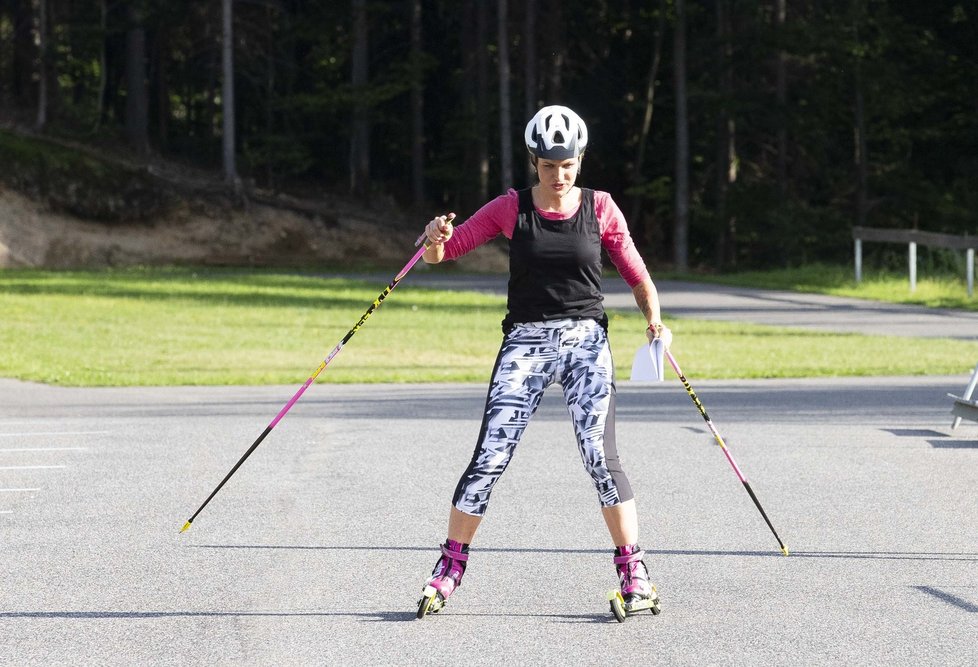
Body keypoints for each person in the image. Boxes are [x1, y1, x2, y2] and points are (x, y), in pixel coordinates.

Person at [415, 105, 673, 619]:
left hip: (585, 343)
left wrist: (654, 320)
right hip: (526, 344)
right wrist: (434, 241)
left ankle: (634, 572)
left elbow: (638, 276)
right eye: (550, 165)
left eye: (569, 165)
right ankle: (449, 567)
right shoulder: (511, 207)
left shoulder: (600, 208)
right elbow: (447, 250)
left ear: (580, 160)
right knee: (490, 456)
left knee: (602, 458)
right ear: (535, 161)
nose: (560, 175)